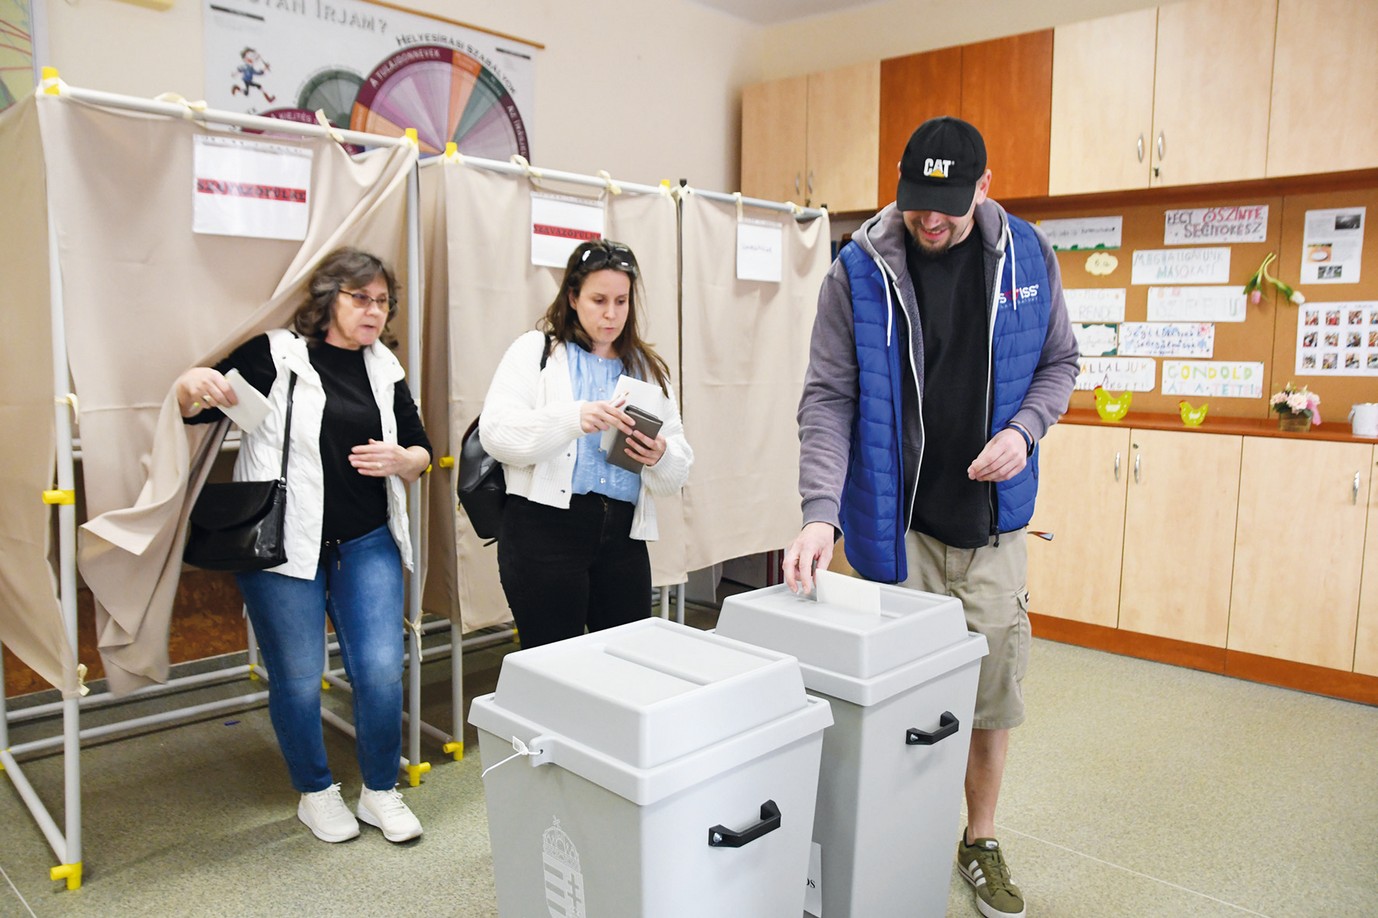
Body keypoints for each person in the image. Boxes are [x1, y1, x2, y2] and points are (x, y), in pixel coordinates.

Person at [782, 117, 1079, 918]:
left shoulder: (1029, 256)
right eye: (918, 201)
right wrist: (819, 516)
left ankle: (977, 839)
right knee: (890, 703)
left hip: (989, 528)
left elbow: (1060, 364)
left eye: (949, 202)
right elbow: (828, 397)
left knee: (988, 698)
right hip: (893, 530)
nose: (931, 219)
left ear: (985, 187)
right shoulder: (859, 269)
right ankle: (886, 839)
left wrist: (1025, 432)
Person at [177, 247, 431, 845]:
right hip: (286, 544)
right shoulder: (276, 353)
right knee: (296, 677)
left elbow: (420, 447)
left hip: (367, 541)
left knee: (379, 671)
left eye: (382, 302)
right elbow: (198, 408)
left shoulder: (383, 367)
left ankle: (379, 790)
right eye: (360, 298)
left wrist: (405, 460)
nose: (373, 312)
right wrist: (190, 383)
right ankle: (316, 793)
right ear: (328, 299)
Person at [479, 238, 693, 648]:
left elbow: (675, 475)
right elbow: (497, 433)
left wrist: (660, 456)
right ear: (573, 297)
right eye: (598, 300)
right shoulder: (536, 351)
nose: (611, 314)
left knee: (626, 659)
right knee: (553, 663)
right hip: (544, 530)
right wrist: (572, 419)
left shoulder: (648, 369)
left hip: (622, 537)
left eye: (621, 300)